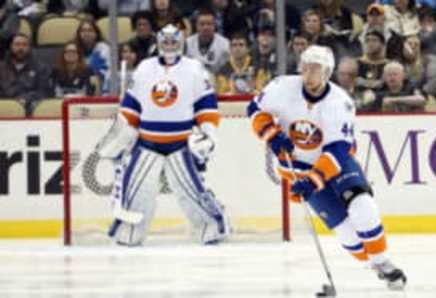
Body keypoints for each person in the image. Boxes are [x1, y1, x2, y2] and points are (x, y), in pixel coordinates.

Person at [246, 45, 407, 290]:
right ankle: (372, 264)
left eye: (316, 68)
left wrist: (313, 181)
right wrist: (271, 133)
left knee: (362, 205)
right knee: (346, 233)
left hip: (337, 164)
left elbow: (337, 151)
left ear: (327, 72)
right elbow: (255, 109)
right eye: (306, 67)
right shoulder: (282, 87)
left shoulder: (340, 103)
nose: (309, 73)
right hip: (299, 168)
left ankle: (383, 262)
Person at [95, 24, 231, 246]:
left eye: (173, 42)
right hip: (147, 142)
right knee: (137, 191)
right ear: (158, 43)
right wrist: (121, 136)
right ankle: (131, 229)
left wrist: (208, 132)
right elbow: (131, 107)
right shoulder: (144, 68)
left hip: (181, 143)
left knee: (190, 192)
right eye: (165, 42)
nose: (169, 46)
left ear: (182, 43)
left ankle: (213, 225)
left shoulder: (195, 69)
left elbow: (206, 105)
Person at [0, 33, 50, 116]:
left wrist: (25, 99)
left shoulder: (41, 68)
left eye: (24, 45)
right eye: (17, 44)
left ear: (29, 48)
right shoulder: (1, 68)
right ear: (11, 47)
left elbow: (43, 92)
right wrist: (10, 103)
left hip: (31, 108)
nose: (20, 48)